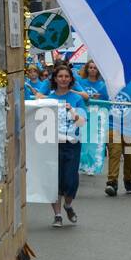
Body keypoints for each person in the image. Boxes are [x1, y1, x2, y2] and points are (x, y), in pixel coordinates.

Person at [44, 64, 87, 228]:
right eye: (60, 76)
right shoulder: (49, 98)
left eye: (66, 77)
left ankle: (68, 205)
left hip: (71, 144)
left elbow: (82, 122)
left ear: (71, 80)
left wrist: (71, 111)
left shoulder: (76, 99)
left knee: (70, 181)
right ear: (55, 79)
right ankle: (57, 215)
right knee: (54, 180)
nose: (63, 79)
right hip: (52, 144)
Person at [105, 74, 131, 196]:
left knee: (129, 156)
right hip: (112, 125)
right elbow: (96, 98)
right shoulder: (107, 86)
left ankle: (128, 180)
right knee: (115, 152)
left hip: (129, 128)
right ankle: (112, 182)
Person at [74, 60, 109, 175]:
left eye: (95, 68)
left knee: (91, 142)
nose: (92, 70)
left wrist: (98, 99)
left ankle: (91, 166)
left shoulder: (102, 85)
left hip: (95, 115)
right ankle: (80, 165)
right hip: (82, 114)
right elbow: (75, 93)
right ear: (87, 69)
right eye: (90, 67)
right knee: (81, 140)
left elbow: (107, 102)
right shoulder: (81, 82)